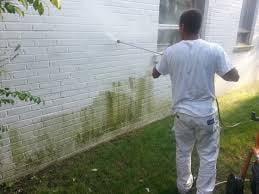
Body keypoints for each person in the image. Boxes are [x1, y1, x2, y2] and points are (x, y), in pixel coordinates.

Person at [152, 9, 239, 194]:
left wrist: (163, 60)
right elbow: (234, 76)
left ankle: (183, 187)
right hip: (206, 115)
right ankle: (204, 191)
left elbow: (155, 73)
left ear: (181, 27)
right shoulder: (214, 49)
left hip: (182, 115)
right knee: (208, 156)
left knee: (183, 151)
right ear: (199, 27)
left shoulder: (170, 52)